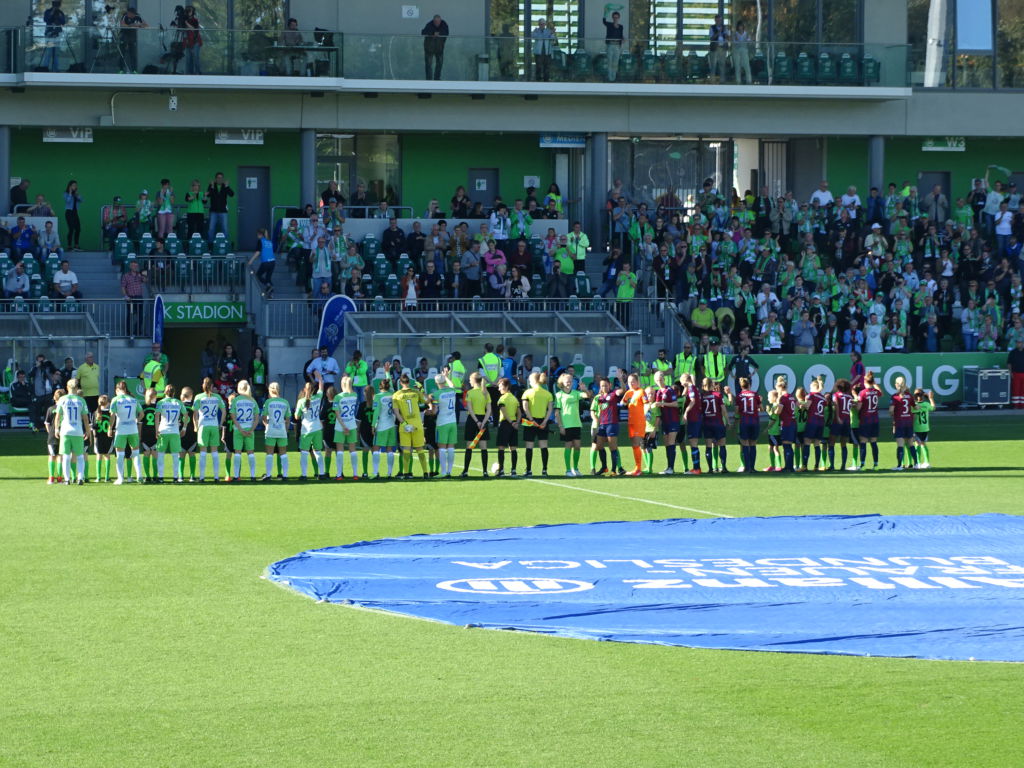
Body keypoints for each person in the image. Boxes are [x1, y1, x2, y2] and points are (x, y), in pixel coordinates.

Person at [392, 373, 430, 479]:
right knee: (420, 449)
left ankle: (406, 473)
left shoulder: (396, 395)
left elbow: (396, 412)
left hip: (405, 426)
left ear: (400, 383)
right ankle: (425, 473)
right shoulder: (416, 392)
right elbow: (427, 401)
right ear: (409, 382)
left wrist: (404, 424)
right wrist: (421, 389)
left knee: (406, 450)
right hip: (417, 424)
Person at [54, 381, 90, 486]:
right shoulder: (81, 400)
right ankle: (80, 478)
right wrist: (87, 431)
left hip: (65, 430)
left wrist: (56, 429)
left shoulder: (62, 399)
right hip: (77, 430)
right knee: (80, 455)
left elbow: (57, 416)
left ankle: (67, 479)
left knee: (66, 455)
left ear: (67, 387)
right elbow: (85, 418)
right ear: (77, 387)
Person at [553, 371, 588, 477]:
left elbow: (587, 395)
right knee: (568, 446)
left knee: (577, 446)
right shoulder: (559, 395)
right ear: (562, 383)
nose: (569, 383)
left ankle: (575, 469)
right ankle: (568, 470)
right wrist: (561, 426)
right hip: (566, 425)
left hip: (576, 424)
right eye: (567, 381)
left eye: (570, 381)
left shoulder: (576, 393)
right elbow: (557, 412)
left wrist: (584, 389)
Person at [109, 380, 143, 484]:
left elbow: (112, 415)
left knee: (120, 455)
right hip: (133, 429)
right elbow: (142, 414)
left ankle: (120, 479)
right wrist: (136, 420)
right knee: (136, 453)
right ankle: (139, 476)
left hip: (121, 430)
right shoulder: (133, 399)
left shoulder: (115, 400)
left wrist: (110, 428)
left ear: (117, 389)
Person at [520, 371, 553, 477]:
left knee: (529, 446)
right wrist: (545, 421)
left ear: (533, 381)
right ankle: (544, 470)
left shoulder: (527, 392)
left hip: (530, 422)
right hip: (543, 422)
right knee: (543, 446)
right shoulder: (548, 394)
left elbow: (525, 408)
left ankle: (528, 470)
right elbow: (550, 410)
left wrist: (531, 420)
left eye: (529, 380)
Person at [193, 377, 226, 482]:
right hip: (214, 425)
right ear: (212, 386)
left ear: (203, 386)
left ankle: (202, 477)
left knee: (203, 452)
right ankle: (216, 477)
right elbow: (224, 411)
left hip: (203, 426)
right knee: (214, 452)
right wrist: (220, 424)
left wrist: (195, 426)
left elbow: (195, 414)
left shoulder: (198, 397)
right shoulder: (217, 397)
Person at [294, 375, 327, 480]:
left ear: (305, 390)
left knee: (304, 452)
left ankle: (304, 475)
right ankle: (321, 473)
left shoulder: (301, 401)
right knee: (318, 452)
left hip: (306, 429)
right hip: (317, 428)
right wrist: (320, 378)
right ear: (313, 390)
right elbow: (321, 388)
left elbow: (296, 416)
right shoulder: (318, 398)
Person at [226, 379, 259, 482]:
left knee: (237, 453)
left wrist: (240, 429)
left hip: (238, 430)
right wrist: (251, 430)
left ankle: (236, 476)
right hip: (249, 429)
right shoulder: (252, 400)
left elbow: (233, 416)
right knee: (251, 453)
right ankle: (253, 476)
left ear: (239, 388)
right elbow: (256, 418)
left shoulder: (236, 400)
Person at [154, 384, 185, 483]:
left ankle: (161, 477)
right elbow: (186, 415)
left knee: (161, 454)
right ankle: (175, 477)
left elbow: (157, 416)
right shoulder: (178, 402)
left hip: (163, 430)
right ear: (174, 392)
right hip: (174, 431)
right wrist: (184, 428)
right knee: (175, 455)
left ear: (165, 392)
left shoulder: (161, 402)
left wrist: (156, 429)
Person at [594, 376, 625, 476]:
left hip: (612, 424)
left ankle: (614, 470)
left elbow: (623, 390)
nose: (604, 387)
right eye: (602, 386)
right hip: (602, 425)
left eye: (606, 385)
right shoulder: (600, 397)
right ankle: (604, 467)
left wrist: (621, 380)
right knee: (599, 446)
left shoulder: (614, 394)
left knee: (613, 447)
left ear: (610, 385)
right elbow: (599, 410)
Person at [331, 376, 360, 479]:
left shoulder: (337, 397)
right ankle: (355, 474)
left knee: (340, 450)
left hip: (340, 426)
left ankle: (339, 474)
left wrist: (343, 427)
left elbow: (337, 414)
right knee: (353, 450)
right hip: (352, 424)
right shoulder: (354, 395)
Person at [260, 382, 291, 481]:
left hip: (271, 430)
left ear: (270, 390)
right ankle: (285, 475)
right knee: (283, 453)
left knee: (269, 453)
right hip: (281, 430)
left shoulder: (268, 402)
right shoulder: (285, 402)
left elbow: (264, 417)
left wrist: (267, 426)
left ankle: (269, 475)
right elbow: (288, 419)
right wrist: (286, 429)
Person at [620, 373, 648, 476]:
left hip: (639, 422)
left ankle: (638, 469)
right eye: (629, 382)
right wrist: (625, 398)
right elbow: (622, 403)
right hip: (631, 422)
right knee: (634, 445)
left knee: (636, 444)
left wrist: (646, 415)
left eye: (633, 381)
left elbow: (646, 404)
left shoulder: (641, 392)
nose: (631, 384)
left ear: (637, 382)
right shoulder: (629, 392)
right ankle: (637, 467)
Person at [371, 377, 397, 479]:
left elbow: (376, 412)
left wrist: (373, 425)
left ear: (379, 387)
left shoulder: (378, 396)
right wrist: (387, 373)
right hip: (391, 425)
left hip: (382, 425)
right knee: (390, 449)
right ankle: (389, 473)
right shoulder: (392, 394)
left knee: (376, 448)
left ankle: (375, 473)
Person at [701, 378, 729, 473]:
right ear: (712, 385)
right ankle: (724, 467)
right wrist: (728, 421)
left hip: (707, 424)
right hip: (718, 423)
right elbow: (723, 410)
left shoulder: (702, 396)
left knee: (709, 446)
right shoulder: (718, 395)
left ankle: (710, 469)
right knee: (722, 445)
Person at [855, 370, 881, 471]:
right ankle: (876, 465)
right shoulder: (876, 392)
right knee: (873, 442)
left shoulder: (862, 393)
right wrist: (875, 384)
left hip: (865, 420)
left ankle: (862, 465)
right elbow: (881, 392)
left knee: (863, 442)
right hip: (875, 420)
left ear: (865, 381)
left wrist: (855, 405)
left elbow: (858, 407)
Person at [494, 378, 520, 477]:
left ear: (506, 387)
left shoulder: (502, 399)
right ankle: (513, 470)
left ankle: (501, 470)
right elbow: (519, 413)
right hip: (514, 425)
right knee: (513, 448)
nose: (498, 389)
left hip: (505, 424)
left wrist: (511, 422)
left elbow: (504, 413)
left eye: (500, 386)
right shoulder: (514, 398)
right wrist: (516, 423)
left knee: (501, 447)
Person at [205, 172, 234, 242]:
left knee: (225, 229)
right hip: (213, 211)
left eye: (221, 178)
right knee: (211, 229)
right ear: (216, 179)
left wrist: (227, 186)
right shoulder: (212, 185)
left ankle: (225, 244)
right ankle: (210, 245)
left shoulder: (225, 186)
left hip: (223, 211)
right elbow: (208, 195)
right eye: (218, 178)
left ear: (223, 179)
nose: (219, 179)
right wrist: (211, 186)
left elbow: (231, 194)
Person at [44, 389, 65, 484]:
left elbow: (47, 423)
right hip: (63, 434)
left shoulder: (51, 409)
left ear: (54, 398)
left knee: (52, 456)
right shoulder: (65, 409)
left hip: (52, 435)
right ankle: (60, 478)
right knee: (60, 456)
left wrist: (50, 432)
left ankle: (51, 478)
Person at [119, 7, 149, 73]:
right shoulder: (125, 16)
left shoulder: (137, 16)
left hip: (132, 37)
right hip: (124, 36)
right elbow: (122, 25)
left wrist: (138, 25)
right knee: (122, 54)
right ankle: (121, 70)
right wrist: (130, 26)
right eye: (129, 13)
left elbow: (146, 25)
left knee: (133, 54)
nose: (130, 15)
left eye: (131, 14)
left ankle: (134, 70)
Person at [91, 395, 113, 483]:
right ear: (108, 403)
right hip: (108, 437)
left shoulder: (95, 412)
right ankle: (107, 477)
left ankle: (98, 477)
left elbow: (93, 427)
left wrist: (94, 437)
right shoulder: (110, 413)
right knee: (107, 455)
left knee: (99, 455)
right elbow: (112, 426)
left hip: (98, 437)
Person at [912, 389, 936, 469]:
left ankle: (918, 463)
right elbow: (933, 408)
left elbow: (912, 415)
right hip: (925, 428)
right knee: (923, 444)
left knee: (917, 445)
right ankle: (927, 462)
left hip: (917, 428)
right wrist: (931, 398)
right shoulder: (926, 404)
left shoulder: (914, 405)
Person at [248, 228, 276, 296]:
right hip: (272, 262)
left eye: (257, 234)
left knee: (258, 276)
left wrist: (250, 261)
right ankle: (270, 293)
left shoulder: (260, 241)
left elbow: (258, 252)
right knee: (268, 278)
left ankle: (269, 286)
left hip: (266, 262)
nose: (257, 236)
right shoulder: (269, 241)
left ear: (260, 234)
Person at [421, 14, 449, 81]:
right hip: (429, 49)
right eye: (435, 21)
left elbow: (446, 32)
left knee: (439, 64)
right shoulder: (429, 24)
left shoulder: (444, 24)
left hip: (439, 48)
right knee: (428, 64)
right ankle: (429, 79)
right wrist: (433, 33)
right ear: (433, 21)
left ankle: (437, 79)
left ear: (440, 20)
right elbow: (423, 32)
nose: (437, 23)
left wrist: (439, 33)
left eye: (438, 21)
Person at [531, 17, 557, 82]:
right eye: (541, 24)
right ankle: (538, 79)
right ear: (539, 24)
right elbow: (534, 36)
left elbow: (552, 38)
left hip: (547, 52)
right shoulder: (536, 30)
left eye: (543, 24)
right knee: (538, 67)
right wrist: (547, 35)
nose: (542, 25)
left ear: (545, 24)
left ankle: (546, 80)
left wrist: (551, 33)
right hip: (538, 53)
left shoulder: (548, 31)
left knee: (547, 67)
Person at [602, 10, 624, 82]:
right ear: (612, 18)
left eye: (617, 17)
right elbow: (604, 21)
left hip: (617, 45)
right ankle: (609, 78)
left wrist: (623, 39)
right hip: (610, 45)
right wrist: (605, 13)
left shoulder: (621, 27)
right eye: (614, 17)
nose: (615, 19)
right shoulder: (609, 25)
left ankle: (613, 77)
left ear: (619, 18)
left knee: (615, 62)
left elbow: (620, 35)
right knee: (609, 61)